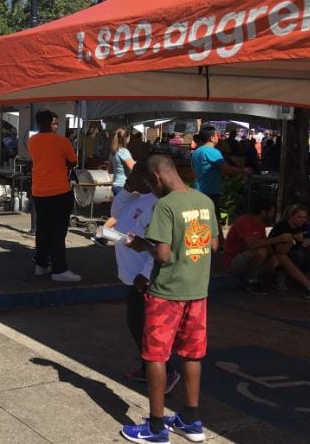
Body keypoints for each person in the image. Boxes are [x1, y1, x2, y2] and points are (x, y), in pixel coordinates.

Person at [121, 154, 219, 444]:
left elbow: (162, 254)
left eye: (150, 184)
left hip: (166, 294)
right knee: (192, 354)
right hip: (197, 292)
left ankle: (156, 427)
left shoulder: (164, 206)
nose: (152, 189)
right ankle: (191, 420)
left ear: (157, 178)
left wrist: (142, 245)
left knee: (155, 356)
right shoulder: (204, 200)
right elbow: (214, 244)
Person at [111, 161, 180, 393]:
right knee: (136, 324)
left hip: (144, 278)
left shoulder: (158, 204)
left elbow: (161, 244)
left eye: (135, 173)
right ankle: (146, 368)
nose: (130, 177)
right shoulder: (135, 197)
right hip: (132, 275)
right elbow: (115, 213)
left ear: (148, 177)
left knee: (145, 327)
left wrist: (145, 274)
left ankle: (167, 372)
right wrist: (125, 190)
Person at [27, 109, 80, 282]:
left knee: (43, 230)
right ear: (51, 123)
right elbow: (73, 161)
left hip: (39, 191)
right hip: (59, 191)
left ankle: (41, 264)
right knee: (58, 231)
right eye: (55, 123)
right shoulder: (61, 141)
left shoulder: (32, 141)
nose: (56, 125)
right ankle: (59, 269)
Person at [191, 126, 249, 246]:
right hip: (209, 191)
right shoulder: (212, 151)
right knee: (214, 220)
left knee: (202, 220)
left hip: (198, 190)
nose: (218, 137)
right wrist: (244, 170)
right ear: (212, 137)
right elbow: (226, 169)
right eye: (216, 135)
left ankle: (205, 244)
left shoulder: (196, 152)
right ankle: (220, 245)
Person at [221, 197, 288, 296]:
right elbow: (252, 244)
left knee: (278, 256)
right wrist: (278, 239)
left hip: (247, 258)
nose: (273, 215)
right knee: (261, 252)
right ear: (263, 212)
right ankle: (252, 281)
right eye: (271, 212)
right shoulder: (244, 221)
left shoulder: (260, 223)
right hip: (233, 259)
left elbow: (265, 242)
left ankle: (277, 279)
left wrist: (273, 255)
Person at [268, 205, 310, 301]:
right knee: (298, 255)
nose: (302, 220)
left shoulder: (301, 227)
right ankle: (280, 277)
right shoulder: (282, 227)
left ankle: (305, 278)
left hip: (295, 251)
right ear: (291, 216)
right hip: (280, 254)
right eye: (299, 217)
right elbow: (279, 250)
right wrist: (293, 239)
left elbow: (304, 244)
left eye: (304, 217)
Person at [109, 128, 135, 196]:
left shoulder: (112, 152)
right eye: (129, 137)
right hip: (123, 185)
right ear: (126, 138)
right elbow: (133, 168)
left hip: (115, 185)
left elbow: (110, 170)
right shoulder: (124, 151)